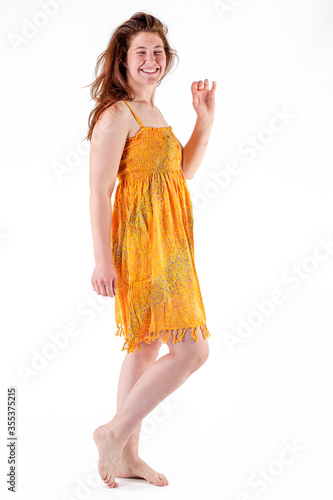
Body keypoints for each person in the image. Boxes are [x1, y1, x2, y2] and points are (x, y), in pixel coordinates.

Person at [85, 11, 216, 489]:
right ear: (123, 60)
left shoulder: (156, 113)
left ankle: (126, 455)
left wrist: (203, 120)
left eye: (157, 51)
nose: (151, 59)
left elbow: (182, 173)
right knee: (193, 349)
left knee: (145, 347)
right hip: (144, 246)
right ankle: (113, 434)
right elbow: (99, 191)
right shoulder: (117, 113)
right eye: (141, 51)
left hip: (171, 242)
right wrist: (103, 259)